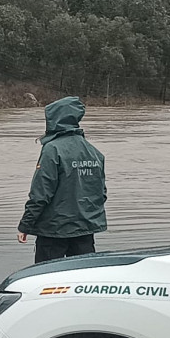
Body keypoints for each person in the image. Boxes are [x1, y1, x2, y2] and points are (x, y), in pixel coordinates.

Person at [17, 96, 107, 263]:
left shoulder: (52, 149)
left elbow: (40, 194)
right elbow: (101, 194)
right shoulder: (94, 152)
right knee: (82, 279)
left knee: (47, 278)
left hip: (54, 231)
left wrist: (25, 225)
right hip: (85, 230)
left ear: (54, 119)